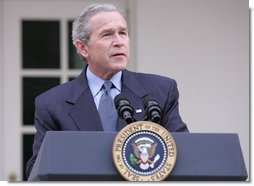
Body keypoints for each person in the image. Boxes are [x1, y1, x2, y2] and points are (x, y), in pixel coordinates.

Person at [26, 3, 189, 179]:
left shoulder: (161, 91)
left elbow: (186, 155)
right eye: (107, 35)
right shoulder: (51, 104)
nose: (119, 42)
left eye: (123, 33)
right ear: (82, 48)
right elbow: (37, 172)